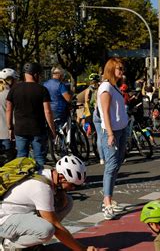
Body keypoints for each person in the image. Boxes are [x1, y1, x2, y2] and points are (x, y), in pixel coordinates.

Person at [0, 155, 97, 250]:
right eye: (72, 185)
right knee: (47, 230)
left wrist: (61, 192)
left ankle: (31, 243)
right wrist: (81, 249)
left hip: (20, 214)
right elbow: (56, 228)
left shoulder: (48, 172)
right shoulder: (42, 188)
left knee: (67, 202)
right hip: (4, 221)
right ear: (62, 178)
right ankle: (8, 244)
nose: (73, 188)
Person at [6, 63, 56, 169]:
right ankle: (40, 180)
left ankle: (21, 181)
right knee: (39, 158)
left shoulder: (14, 89)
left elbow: (9, 109)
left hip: (20, 129)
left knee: (21, 157)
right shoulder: (42, 90)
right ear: (35, 74)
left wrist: (10, 127)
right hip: (38, 129)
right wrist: (52, 129)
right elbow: (47, 111)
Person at [97, 58, 129, 220]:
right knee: (111, 165)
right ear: (111, 69)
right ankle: (107, 202)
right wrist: (110, 134)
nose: (122, 71)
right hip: (112, 132)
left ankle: (108, 197)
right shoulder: (106, 87)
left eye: (122, 68)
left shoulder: (114, 87)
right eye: (119, 69)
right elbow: (105, 113)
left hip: (121, 129)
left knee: (117, 163)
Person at [0, 68, 19, 164]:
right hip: (7, 133)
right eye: (15, 80)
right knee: (8, 162)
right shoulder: (11, 94)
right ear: (10, 80)